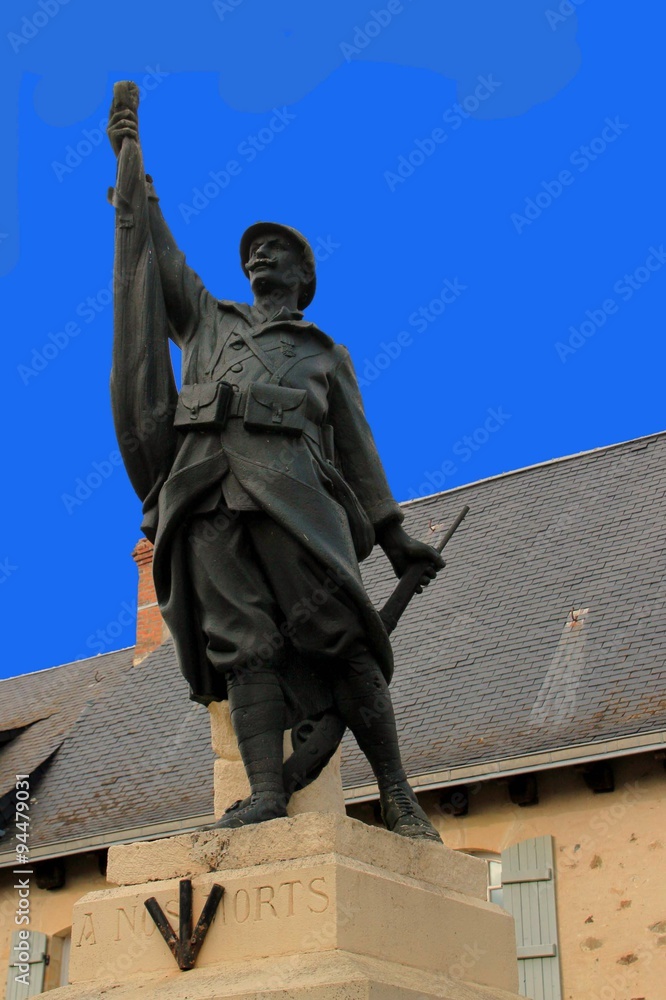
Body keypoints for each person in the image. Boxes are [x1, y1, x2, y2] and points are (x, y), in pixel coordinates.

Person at [107, 89, 444, 841]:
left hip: (294, 498)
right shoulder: (209, 320)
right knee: (243, 647)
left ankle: (397, 793)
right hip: (206, 497)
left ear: (302, 275)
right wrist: (135, 173)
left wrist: (394, 538)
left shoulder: (325, 356)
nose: (259, 253)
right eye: (253, 248)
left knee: (345, 638)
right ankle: (264, 793)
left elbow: (358, 454)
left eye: (277, 249)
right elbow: (159, 261)